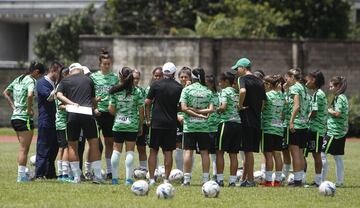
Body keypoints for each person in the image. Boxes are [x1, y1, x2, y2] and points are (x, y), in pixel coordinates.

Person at [56, 63, 103, 184]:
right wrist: (95, 109)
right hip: (87, 112)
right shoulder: (88, 80)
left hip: (73, 114)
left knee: (72, 145)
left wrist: (70, 103)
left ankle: (76, 177)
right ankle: (97, 176)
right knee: (94, 143)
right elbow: (93, 100)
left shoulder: (65, 81)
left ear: (71, 71)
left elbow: (58, 95)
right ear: (80, 70)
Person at [3, 61, 45, 182]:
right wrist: (29, 109)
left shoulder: (18, 79)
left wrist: (12, 105)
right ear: (36, 72)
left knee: (22, 148)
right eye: (40, 75)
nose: (39, 78)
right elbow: (30, 94)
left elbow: (5, 92)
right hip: (24, 118)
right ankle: (21, 176)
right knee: (24, 150)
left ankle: (23, 173)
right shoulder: (31, 80)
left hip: (15, 117)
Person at [145, 62, 183, 186]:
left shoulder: (156, 84)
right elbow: (180, 107)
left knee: (153, 151)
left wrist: (148, 118)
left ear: (164, 72)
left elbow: (147, 102)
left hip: (156, 123)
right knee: (168, 152)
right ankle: (166, 179)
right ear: (174, 73)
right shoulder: (178, 87)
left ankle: (151, 179)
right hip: (171, 123)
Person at [232, 58, 266, 187]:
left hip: (246, 118)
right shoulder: (259, 81)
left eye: (237, 69)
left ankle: (251, 180)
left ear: (243, 68)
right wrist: (256, 109)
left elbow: (242, 91)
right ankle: (244, 179)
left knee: (247, 151)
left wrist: (240, 105)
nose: (236, 71)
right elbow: (263, 102)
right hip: (257, 119)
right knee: (248, 151)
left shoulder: (242, 80)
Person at [109, 67, 144, 185]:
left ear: (120, 77)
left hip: (118, 124)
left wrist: (119, 114)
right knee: (130, 151)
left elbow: (111, 110)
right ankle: (128, 179)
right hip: (132, 125)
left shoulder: (114, 91)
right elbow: (141, 110)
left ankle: (114, 179)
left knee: (116, 151)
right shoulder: (137, 91)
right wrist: (140, 125)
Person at [180, 68, 214, 186]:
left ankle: (187, 179)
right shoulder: (208, 91)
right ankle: (205, 178)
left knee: (188, 151)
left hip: (189, 126)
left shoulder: (186, 90)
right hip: (203, 127)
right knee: (205, 152)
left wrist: (194, 111)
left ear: (192, 78)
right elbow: (211, 109)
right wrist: (201, 115)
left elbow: (183, 108)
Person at [89, 49, 119, 179]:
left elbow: (117, 96)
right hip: (97, 113)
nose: (106, 66)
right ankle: (88, 170)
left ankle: (109, 171)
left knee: (109, 142)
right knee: (93, 142)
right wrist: (94, 107)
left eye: (108, 64)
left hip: (109, 114)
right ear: (99, 64)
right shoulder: (93, 77)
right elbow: (89, 96)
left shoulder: (115, 78)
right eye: (104, 64)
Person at [35, 61, 62, 179]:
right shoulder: (41, 82)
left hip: (55, 121)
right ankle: (39, 173)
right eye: (59, 72)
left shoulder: (54, 83)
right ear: (53, 70)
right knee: (43, 147)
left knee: (54, 147)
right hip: (45, 120)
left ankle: (50, 173)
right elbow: (49, 98)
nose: (60, 75)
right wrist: (60, 88)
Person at [215, 72, 241, 187]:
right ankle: (232, 181)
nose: (219, 83)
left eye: (221, 81)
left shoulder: (225, 91)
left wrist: (216, 109)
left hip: (226, 123)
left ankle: (220, 180)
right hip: (238, 124)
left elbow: (224, 106)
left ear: (226, 81)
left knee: (220, 152)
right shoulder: (237, 92)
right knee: (233, 154)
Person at [322, 76, 348, 187]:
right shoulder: (341, 97)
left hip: (334, 132)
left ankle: (321, 180)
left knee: (321, 153)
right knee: (338, 157)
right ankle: (340, 181)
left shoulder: (340, 98)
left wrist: (329, 110)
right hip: (340, 131)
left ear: (338, 86)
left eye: (332, 86)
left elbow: (338, 113)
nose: (330, 87)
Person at [285, 68, 309, 187]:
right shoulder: (304, 87)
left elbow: (296, 106)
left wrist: (291, 122)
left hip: (297, 124)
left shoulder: (294, 88)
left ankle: (297, 181)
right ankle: (299, 179)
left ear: (293, 77)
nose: (287, 80)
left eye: (288, 78)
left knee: (294, 153)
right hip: (304, 124)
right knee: (299, 153)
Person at [261, 75, 285, 187]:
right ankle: (278, 180)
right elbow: (283, 114)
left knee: (268, 155)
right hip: (279, 129)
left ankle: (268, 180)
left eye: (265, 84)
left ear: (269, 85)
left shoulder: (267, 95)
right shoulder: (282, 96)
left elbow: (261, 109)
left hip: (268, 129)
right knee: (277, 155)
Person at [304, 70, 327, 187]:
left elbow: (314, 111)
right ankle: (314, 180)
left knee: (316, 154)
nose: (306, 82)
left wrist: (305, 118)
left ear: (313, 80)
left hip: (317, 129)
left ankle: (318, 181)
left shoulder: (318, 94)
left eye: (308, 79)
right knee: (313, 154)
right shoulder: (316, 93)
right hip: (314, 129)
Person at [55, 66, 71, 181]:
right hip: (64, 122)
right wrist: (73, 106)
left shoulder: (59, 86)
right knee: (66, 147)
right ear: (65, 75)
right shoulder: (63, 87)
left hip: (60, 122)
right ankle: (65, 174)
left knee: (62, 147)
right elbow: (60, 106)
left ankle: (60, 173)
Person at [175, 67, 192, 171]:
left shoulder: (193, 90)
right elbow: (171, 106)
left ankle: (188, 172)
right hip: (177, 120)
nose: (183, 79)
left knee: (189, 147)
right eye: (181, 77)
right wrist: (177, 116)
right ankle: (179, 172)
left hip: (190, 120)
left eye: (186, 77)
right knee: (178, 145)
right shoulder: (176, 89)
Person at [133, 69, 149, 170]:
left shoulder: (142, 91)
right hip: (127, 124)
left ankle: (143, 169)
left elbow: (144, 107)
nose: (135, 80)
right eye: (133, 78)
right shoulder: (122, 91)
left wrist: (144, 121)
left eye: (137, 78)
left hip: (140, 123)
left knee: (141, 147)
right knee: (127, 148)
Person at [205, 74, 220, 180]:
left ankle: (215, 173)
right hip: (205, 127)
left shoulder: (219, 95)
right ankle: (206, 174)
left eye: (208, 84)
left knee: (215, 151)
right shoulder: (204, 95)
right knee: (205, 151)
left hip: (216, 126)